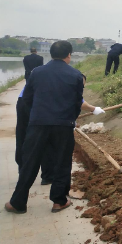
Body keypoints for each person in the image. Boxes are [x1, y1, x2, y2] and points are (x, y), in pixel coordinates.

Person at [5, 41, 84, 214]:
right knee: (62, 162)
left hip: (38, 124)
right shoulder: (76, 75)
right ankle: (59, 201)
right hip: (63, 125)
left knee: (30, 162)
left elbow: (27, 99)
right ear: (68, 55)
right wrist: (70, 118)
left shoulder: (36, 73)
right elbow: (77, 103)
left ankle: (18, 203)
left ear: (50, 54)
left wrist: (37, 115)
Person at [15, 75, 104, 185]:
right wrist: (94, 109)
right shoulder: (67, 81)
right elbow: (77, 102)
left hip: (24, 101)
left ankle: (26, 174)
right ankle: (47, 176)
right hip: (33, 105)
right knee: (46, 140)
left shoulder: (59, 76)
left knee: (24, 138)